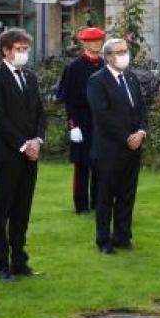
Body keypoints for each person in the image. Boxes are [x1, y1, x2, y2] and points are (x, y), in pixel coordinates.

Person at [0, 28, 46, 281]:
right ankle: (1, 264)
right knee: (3, 210)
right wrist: (23, 145)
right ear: (5, 51)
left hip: (31, 153)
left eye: (26, 49)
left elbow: (40, 112)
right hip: (6, 154)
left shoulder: (29, 77)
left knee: (22, 209)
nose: (23, 54)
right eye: (19, 49)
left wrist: (38, 141)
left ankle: (20, 260)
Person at [87, 37, 148, 254]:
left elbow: (141, 109)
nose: (125, 55)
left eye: (126, 51)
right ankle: (104, 240)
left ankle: (123, 235)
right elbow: (102, 115)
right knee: (105, 196)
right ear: (109, 56)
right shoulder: (97, 80)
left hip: (133, 147)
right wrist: (126, 137)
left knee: (127, 194)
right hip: (109, 149)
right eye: (120, 52)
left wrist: (140, 132)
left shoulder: (131, 78)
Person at [57, 27, 105, 214]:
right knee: (82, 164)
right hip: (82, 120)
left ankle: (98, 201)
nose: (96, 45)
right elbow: (68, 100)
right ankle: (81, 204)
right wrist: (73, 125)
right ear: (84, 43)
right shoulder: (74, 67)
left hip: (101, 122)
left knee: (100, 164)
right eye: (92, 41)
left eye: (99, 41)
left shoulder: (104, 65)